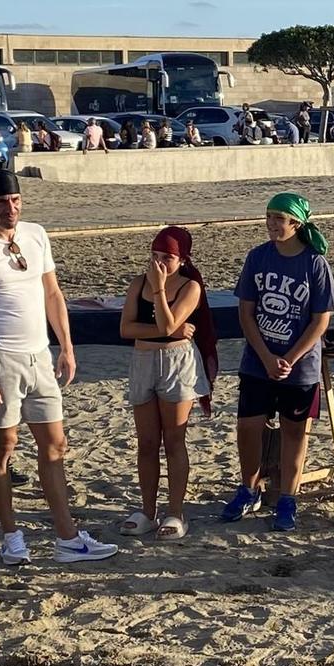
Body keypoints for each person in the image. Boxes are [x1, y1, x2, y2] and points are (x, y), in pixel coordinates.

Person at [0, 167, 117, 566]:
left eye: (15, 200)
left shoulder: (35, 235)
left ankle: (67, 536)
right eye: (1, 202)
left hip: (39, 354)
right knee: (3, 446)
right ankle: (11, 535)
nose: (10, 208)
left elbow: (52, 292)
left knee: (54, 443)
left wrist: (66, 346)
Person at [219, 193, 334, 532]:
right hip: (258, 361)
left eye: (279, 218)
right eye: (268, 216)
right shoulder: (258, 257)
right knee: (248, 427)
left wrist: (289, 358)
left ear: (296, 224)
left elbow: (321, 320)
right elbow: (246, 311)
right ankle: (248, 488)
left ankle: (287, 497)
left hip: (299, 366)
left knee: (294, 432)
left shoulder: (314, 263)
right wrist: (267, 357)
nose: (271, 224)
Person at [117, 226, 216, 540]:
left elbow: (167, 323)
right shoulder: (138, 284)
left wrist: (161, 292)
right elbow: (127, 329)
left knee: (174, 440)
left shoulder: (189, 287)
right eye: (155, 256)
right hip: (144, 362)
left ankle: (175, 512)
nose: (159, 263)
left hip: (176, 364)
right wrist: (170, 329)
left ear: (182, 259)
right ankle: (147, 510)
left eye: (168, 257)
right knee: (146, 442)